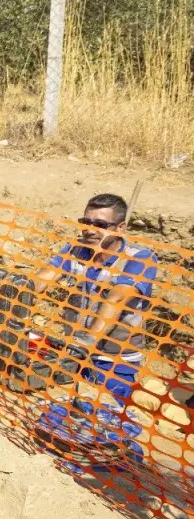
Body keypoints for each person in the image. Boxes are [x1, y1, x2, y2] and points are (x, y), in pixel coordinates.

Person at [29, 192, 157, 466]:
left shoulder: (139, 258)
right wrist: (13, 295)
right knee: (79, 416)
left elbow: (117, 299)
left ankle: (125, 470)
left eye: (99, 224)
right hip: (78, 353)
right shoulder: (76, 250)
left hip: (115, 361)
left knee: (113, 425)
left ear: (120, 228)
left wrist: (88, 341)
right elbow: (43, 278)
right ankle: (75, 466)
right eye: (86, 221)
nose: (89, 229)